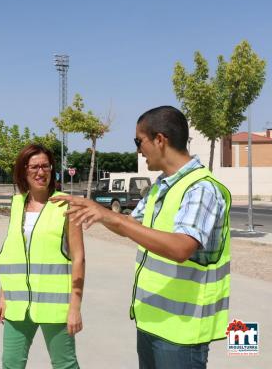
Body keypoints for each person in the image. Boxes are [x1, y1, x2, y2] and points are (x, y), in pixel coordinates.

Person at [50, 106, 231, 369]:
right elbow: (132, 225)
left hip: (182, 332)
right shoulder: (161, 186)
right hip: (151, 322)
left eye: (139, 141)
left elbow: (181, 248)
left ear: (160, 140)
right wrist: (97, 212)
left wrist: (114, 217)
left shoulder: (200, 188)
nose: (138, 150)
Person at [0, 144, 85, 369]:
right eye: (34, 166)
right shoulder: (17, 205)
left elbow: (79, 258)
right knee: (10, 363)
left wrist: (75, 307)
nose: (40, 172)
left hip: (55, 306)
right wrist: (4, 295)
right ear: (24, 171)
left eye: (45, 166)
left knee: (65, 365)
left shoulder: (67, 204)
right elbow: (14, 254)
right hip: (18, 304)